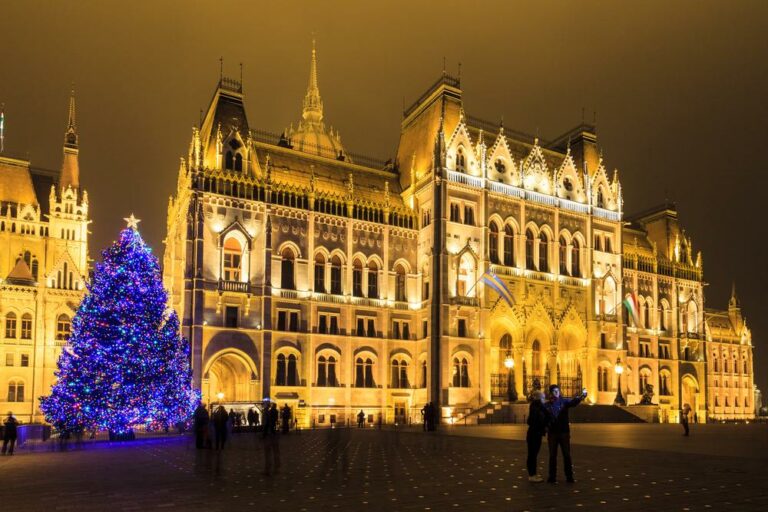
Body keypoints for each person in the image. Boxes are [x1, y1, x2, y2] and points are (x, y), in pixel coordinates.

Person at [544, 385, 587, 483]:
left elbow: (573, 402)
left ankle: (569, 476)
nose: (556, 392)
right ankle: (552, 476)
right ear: (550, 392)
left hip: (564, 432)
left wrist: (582, 396)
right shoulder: (547, 405)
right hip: (552, 433)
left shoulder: (564, 401)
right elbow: (544, 417)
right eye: (554, 391)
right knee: (552, 455)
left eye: (558, 390)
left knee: (566, 455)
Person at [526, 391, 548, 483]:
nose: (544, 399)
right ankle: (532, 475)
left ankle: (533, 474)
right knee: (533, 455)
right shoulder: (536, 406)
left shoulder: (536, 406)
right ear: (539, 398)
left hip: (535, 433)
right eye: (543, 397)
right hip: (534, 434)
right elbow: (533, 420)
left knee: (533, 454)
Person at [263, 402, 281, 475]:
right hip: (273, 434)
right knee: (275, 451)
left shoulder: (269, 412)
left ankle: (268, 468)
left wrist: (264, 433)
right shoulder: (275, 411)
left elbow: (267, 422)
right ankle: (276, 466)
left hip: (270, 434)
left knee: (268, 452)